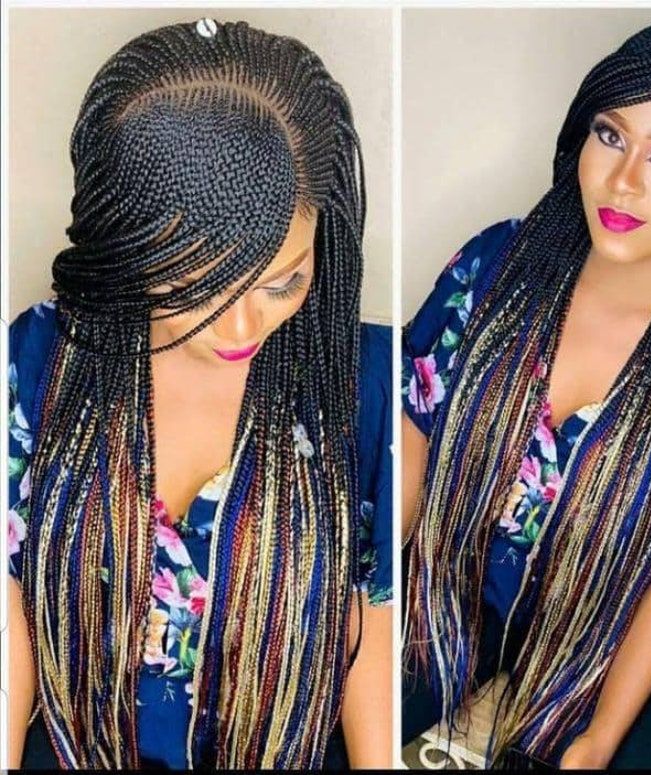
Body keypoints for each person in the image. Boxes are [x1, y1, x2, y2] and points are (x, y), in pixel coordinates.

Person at [8, 19, 392, 769]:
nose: (243, 327)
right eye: (195, 286)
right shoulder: (37, 362)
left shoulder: (360, 378)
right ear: (122, 247)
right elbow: (9, 605)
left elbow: (371, 616)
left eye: (282, 282)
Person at [402, 20, 651, 770]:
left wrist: (600, 737)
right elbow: (415, 424)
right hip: (443, 589)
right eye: (611, 136)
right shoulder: (496, 265)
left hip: (610, 630)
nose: (625, 180)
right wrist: (374, 591)